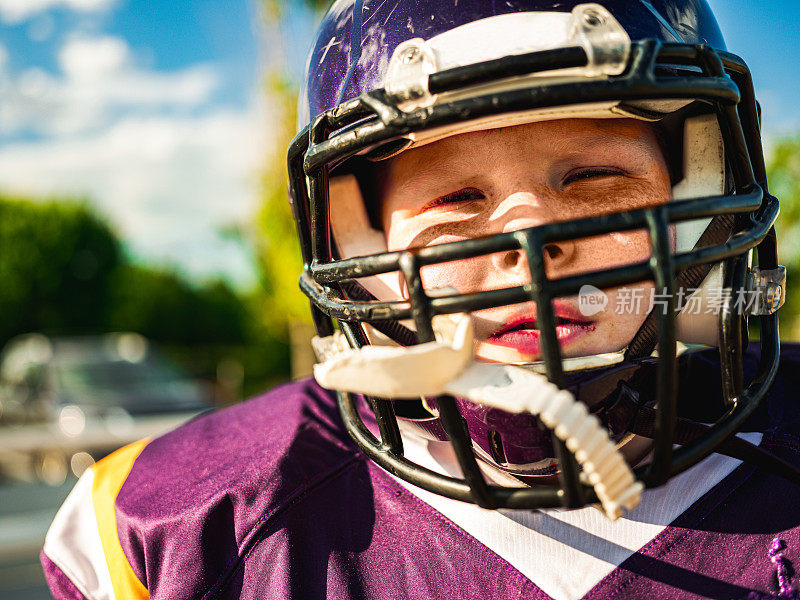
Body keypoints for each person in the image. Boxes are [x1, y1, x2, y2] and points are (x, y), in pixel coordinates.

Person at [40, 1, 800, 599]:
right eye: (457, 197)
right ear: (363, 251)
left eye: (594, 179)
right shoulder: (185, 526)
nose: (529, 236)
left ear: (703, 208)